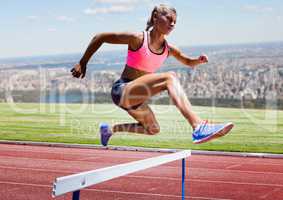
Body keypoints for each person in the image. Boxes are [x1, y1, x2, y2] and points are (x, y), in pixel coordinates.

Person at [71, 4, 233, 146]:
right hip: (122, 90)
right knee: (170, 77)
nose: (173, 23)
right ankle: (198, 126)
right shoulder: (138, 39)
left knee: (152, 129)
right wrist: (83, 62)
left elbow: (188, 62)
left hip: (136, 98)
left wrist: (198, 60)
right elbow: (100, 37)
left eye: (175, 21)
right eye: (169, 19)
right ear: (155, 17)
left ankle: (109, 129)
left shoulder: (169, 49)